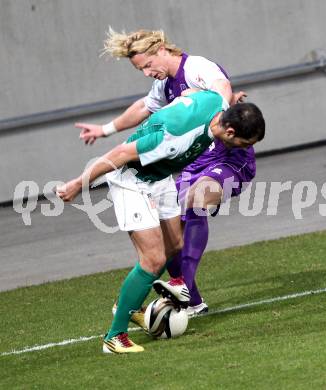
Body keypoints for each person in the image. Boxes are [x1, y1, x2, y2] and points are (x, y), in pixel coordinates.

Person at [57, 90, 265, 353]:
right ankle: (115, 336)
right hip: (132, 181)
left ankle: (134, 303)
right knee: (153, 259)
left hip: (160, 178)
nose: (246, 150)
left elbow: (190, 92)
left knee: (175, 244)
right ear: (231, 132)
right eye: (246, 143)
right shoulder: (175, 138)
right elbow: (121, 153)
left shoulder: (217, 102)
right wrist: (78, 184)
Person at [76, 28, 252, 316]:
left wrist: (226, 104)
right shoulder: (165, 85)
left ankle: (182, 282)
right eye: (140, 69)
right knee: (171, 236)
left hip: (227, 157)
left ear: (161, 49)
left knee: (196, 200)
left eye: (147, 65)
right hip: (193, 163)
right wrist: (105, 129)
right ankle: (191, 302)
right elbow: (143, 107)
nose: (146, 73)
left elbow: (221, 87)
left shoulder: (197, 67)